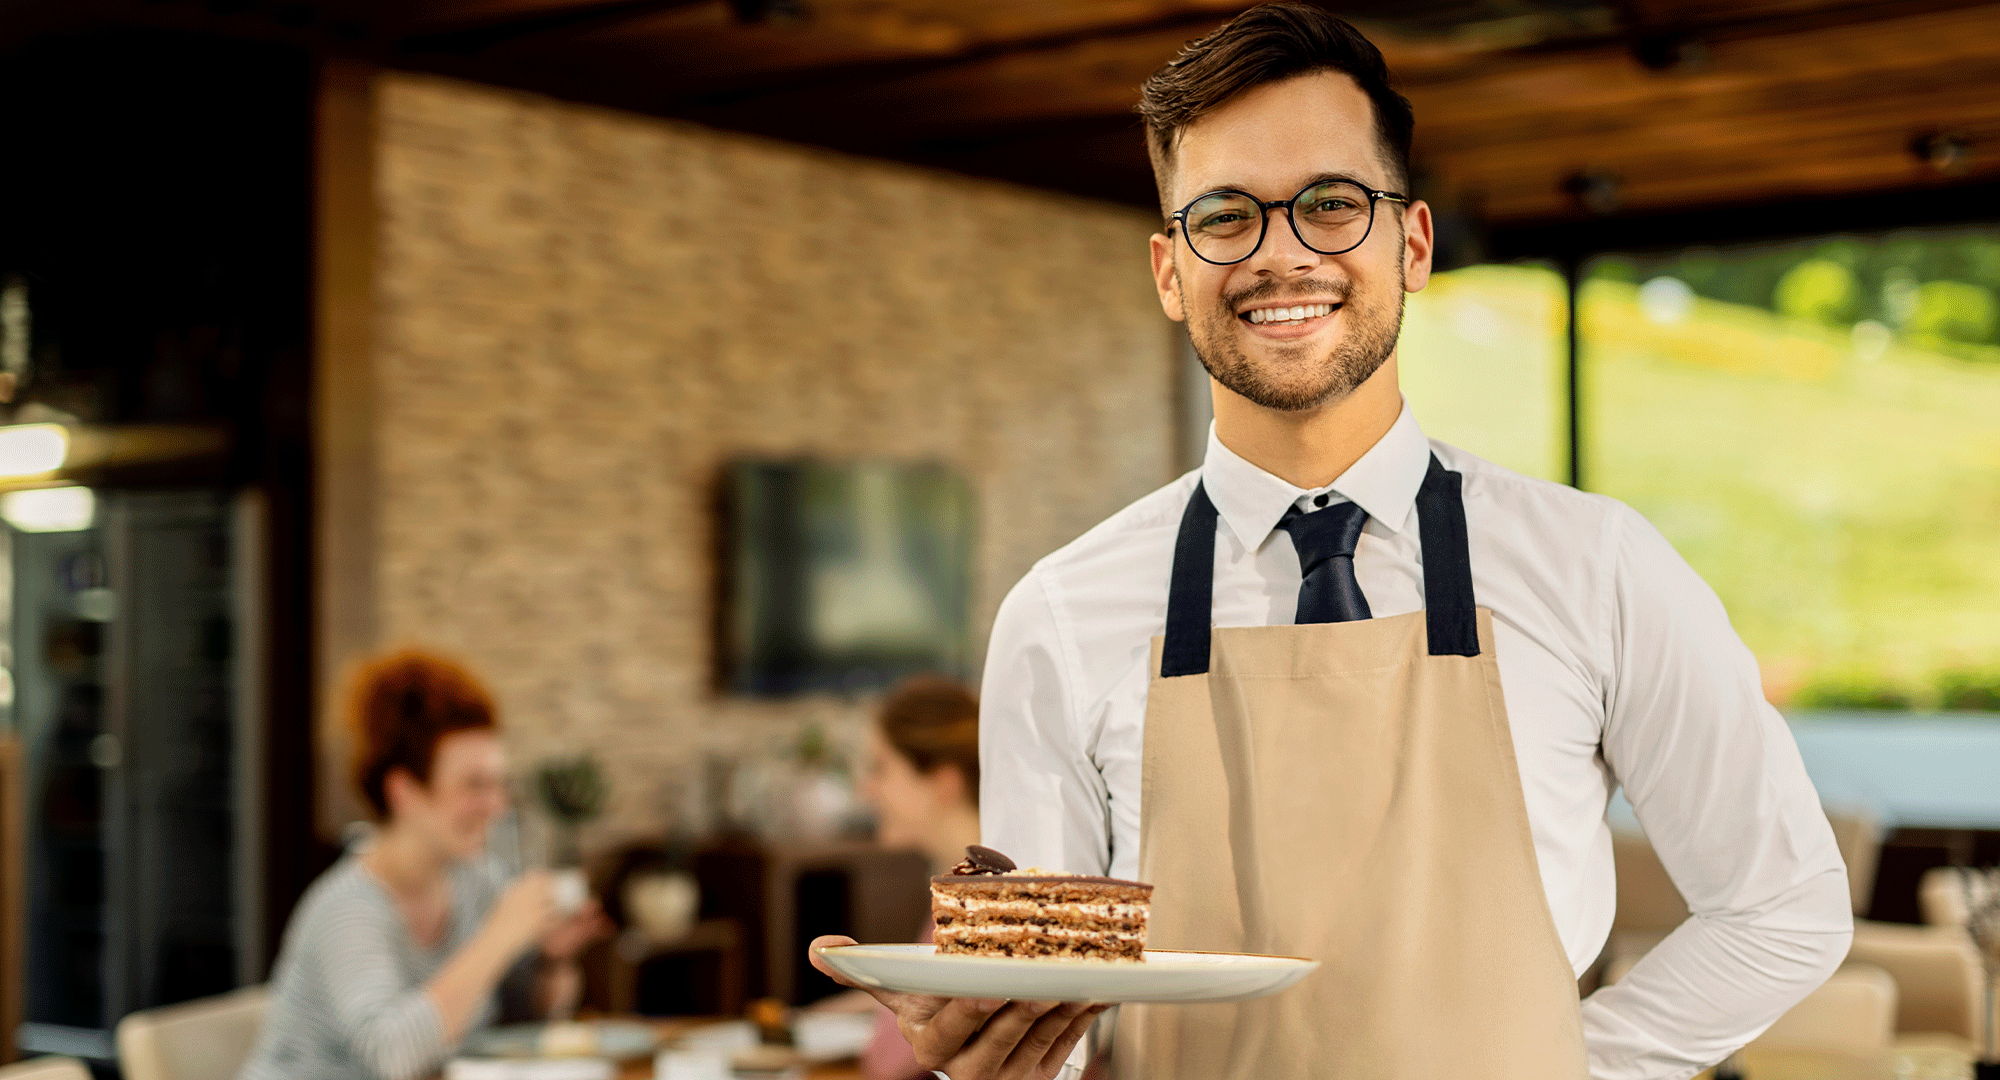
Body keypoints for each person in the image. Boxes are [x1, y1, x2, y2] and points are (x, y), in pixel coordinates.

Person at [812, 5, 1854, 1079]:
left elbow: (1781, 907)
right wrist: (986, 1054)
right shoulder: (1061, 614)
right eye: (1225, 216)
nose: (1280, 254)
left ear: (1409, 244)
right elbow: (1047, 1014)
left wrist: (1571, 1066)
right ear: (1170, 272)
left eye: (1329, 204)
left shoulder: (1596, 567)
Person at [240, 650, 610, 1080]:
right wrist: (501, 935)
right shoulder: (345, 909)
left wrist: (550, 959)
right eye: (474, 785)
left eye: (499, 784)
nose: (495, 805)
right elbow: (393, 1057)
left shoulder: (478, 881)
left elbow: (519, 1022)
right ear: (404, 792)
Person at [817, 676, 987, 1080]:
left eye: (881, 769)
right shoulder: (959, 884)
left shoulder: (975, 904)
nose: (866, 790)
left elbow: (890, 1064)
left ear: (943, 782)